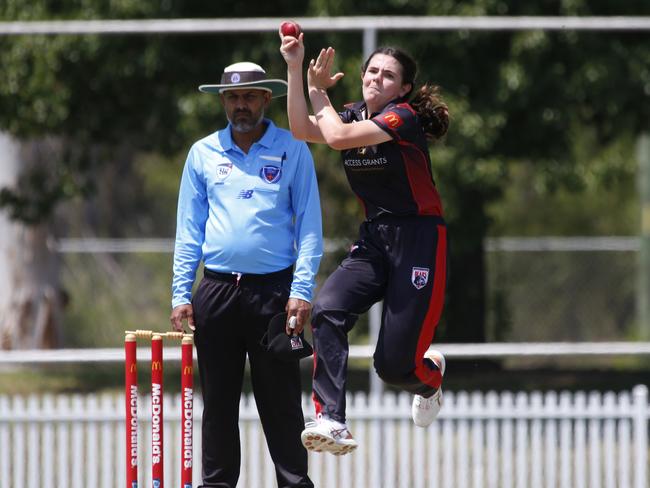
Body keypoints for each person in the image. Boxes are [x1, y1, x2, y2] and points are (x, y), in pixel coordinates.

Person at [280, 32, 450, 456]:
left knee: (393, 366)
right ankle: (331, 419)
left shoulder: (402, 119)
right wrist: (295, 68)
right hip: (376, 237)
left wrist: (318, 91)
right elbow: (302, 129)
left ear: (403, 89)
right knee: (327, 308)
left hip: (419, 240)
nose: (377, 79)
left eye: (388, 75)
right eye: (372, 71)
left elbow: (336, 137)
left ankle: (431, 380)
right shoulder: (352, 113)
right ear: (360, 77)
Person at [170, 61, 322, 487]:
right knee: (217, 403)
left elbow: (309, 227)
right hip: (217, 291)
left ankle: (294, 483)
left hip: (274, 294)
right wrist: (181, 293)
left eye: (250, 96)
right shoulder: (203, 153)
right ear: (222, 101)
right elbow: (188, 230)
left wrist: (302, 290)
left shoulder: (293, 148)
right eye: (233, 97)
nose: (241, 105)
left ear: (266, 99)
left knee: (281, 404)